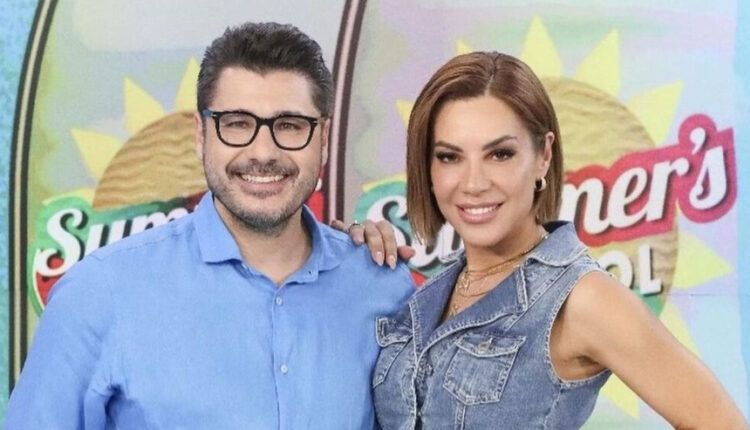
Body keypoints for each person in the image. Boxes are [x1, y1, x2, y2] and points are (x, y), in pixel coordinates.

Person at [5, 22, 414, 429]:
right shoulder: (98, 293)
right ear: (201, 135)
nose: (263, 152)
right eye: (236, 123)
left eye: (290, 125)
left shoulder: (383, 287)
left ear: (323, 139)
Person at [368, 52, 748, 429]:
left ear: (543, 156)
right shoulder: (427, 295)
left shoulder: (582, 298)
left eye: (500, 154)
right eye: (450, 157)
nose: (474, 183)